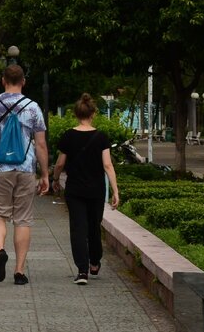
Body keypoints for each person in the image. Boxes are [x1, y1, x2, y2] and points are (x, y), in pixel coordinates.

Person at [0, 63, 49, 286]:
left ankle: (0, 250)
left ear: (3, 80)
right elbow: (41, 144)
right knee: (23, 219)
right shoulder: (33, 108)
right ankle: (19, 271)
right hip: (25, 169)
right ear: (23, 82)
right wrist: (45, 174)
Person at [52, 93, 120, 285]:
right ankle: (95, 262)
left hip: (74, 190)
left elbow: (59, 164)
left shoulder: (68, 136)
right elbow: (107, 165)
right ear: (93, 114)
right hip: (96, 190)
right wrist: (115, 190)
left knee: (78, 229)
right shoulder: (101, 137)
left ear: (76, 114)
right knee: (93, 227)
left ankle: (82, 271)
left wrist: (55, 179)